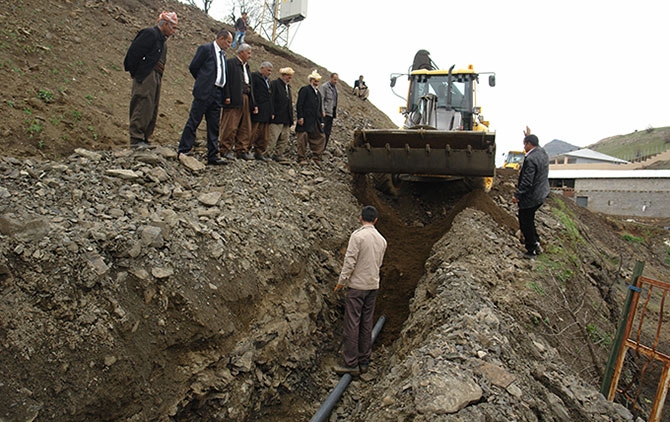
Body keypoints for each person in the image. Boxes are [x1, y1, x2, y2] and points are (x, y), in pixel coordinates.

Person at [333, 205, 387, 375]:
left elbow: (350, 261)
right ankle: (364, 360)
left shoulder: (358, 236)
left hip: (357, 287)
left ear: (360, 217)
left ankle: (350, 363)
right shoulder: (382, 240)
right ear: (376, 220)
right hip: (373, 286)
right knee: (366, 323)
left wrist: (341, 282)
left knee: (352, 323)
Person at [177, 29, 232, 165]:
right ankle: (184, 149)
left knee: (214, 125)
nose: (229, 45)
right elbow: (194, 67)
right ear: (221, 38)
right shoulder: (206, 49)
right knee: (194, 120)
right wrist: (203, 81)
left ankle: (213, 155)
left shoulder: (223, 56)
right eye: (228, 42)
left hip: (218, 93)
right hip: (205, 91)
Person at [123, 11, 178, 148]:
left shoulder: (162, 40)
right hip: (147, 74)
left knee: (151, 107)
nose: (174, 31)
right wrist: (136, 72)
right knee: (143, 103)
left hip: (156, 76)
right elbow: (133, 54)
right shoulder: (150, 34)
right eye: (173, 27)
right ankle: (136, 138)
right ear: (165, 24)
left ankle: (145, 137)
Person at [513, 126, 550, 259]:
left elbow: (527, 181)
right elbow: (535, 143)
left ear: (529, 144)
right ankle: (536, 242)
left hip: (532, 196)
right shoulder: (542, 152)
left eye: (525, 144)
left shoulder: (530, 159)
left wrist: (518, 195)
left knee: (525, 221)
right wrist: (529, 135)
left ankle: (531, 250)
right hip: (542, 193)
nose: (524, 147)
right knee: (530, 219)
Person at [219, 43, 257, 160]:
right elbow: (227, 81)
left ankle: (242, 150)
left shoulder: (247, 67)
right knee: (230, 125)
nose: (250, 56)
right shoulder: (231, 63)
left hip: (245, 98)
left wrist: (253, 103)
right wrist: (227, 96)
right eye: (248, 53)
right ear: (241, 52)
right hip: (234, 98)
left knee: (245, 126)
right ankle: (224, 149)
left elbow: (250, 86)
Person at [295, 70, 325, 165]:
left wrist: (321, 121)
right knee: (303, 137)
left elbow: (319, 108)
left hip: (315, 120)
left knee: (320, 137)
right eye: (315, 80)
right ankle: (301, 157)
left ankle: (316, 156)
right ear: (311, 80)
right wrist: (300, 116)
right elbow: (299, 104)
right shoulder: (305, 89)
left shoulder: (318, 94)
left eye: (318, 81)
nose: (316, 83)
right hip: (305, 119)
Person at [268, 67, 294, 164]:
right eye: (288, 76)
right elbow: (271, 99)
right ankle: (267, 154)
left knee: (284, 138)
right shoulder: (275, 84)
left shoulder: (288, 87)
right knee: (273, 137)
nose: (289, 79)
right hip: (277, 116)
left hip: (286, 118)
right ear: (283, 75)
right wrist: (272, 112)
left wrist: (291, 118)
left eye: (290, 77)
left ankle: (278, 155)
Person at [249, 61, 274, 161]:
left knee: (264, 134)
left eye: (271, 71)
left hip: (266, 111)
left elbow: (270, 97)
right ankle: (246, 149)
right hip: (258, 109)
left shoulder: (268, 81)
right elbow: (252, 92)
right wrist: (254, 105)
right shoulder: (255, 77)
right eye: (268, 70)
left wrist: (272, 111)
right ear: (262, 68)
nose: (269, 73)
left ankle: (259, 152)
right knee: (254, 131)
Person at [319, 72, 338, 149]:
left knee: (327, 132)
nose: (335, 81)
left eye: (337, 80)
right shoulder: (324, 87)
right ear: (330, 78)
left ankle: (323, 149)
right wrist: (322, 110)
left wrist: (335, 112)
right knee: (321, 132)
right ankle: (318, 149)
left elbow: (335, 101)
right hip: (325, 113)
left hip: (331, 113)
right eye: (334, 79)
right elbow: (321, 99)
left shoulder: (335, 89)